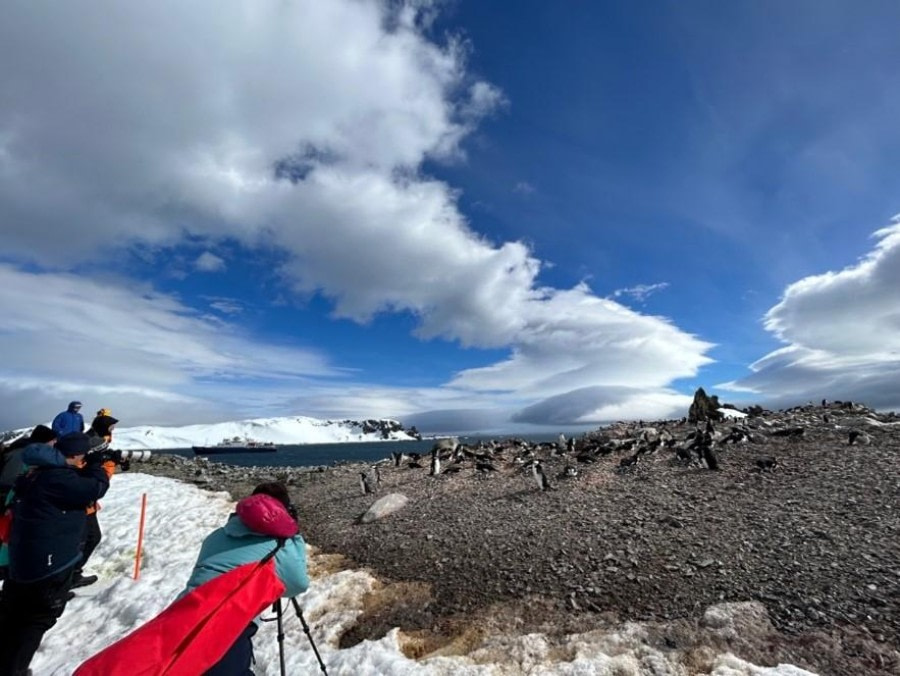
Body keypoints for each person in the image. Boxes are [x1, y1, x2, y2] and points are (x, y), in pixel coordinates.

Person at [0, 433, 110, 675]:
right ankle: (12, 669)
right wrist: (97, 465)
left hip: (23, 560)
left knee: (12, 614)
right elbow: (96, 487)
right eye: (82, 457)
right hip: (48, 565)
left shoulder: (35, 472)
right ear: (74, 456)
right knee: (36, 618)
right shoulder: (58, 479)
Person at [182, 482, 309, 675]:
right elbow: (298, 584)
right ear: (284, 511)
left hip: (183, 614)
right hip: (227, 626)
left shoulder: (216, 536)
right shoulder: (278, 544)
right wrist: (295, 535)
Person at [72, 414, 120, 589]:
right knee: (88, 538)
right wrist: (108, 463)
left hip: (86, 503)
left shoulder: (92, 438)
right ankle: (71, 575)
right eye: (111, 427)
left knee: (88, 538)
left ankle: (71, 574)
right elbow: (97, 482)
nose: (113, 430)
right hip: (83, 504)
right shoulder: (92, 442)